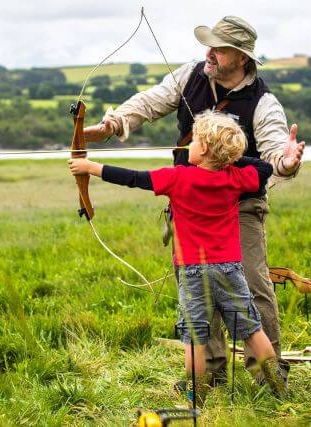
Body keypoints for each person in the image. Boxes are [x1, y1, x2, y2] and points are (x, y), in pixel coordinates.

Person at [83, 15, 305, 387]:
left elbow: (274, 158)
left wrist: (286, 161)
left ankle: (268, 375)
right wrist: (113, 123)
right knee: (196, 287)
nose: (209, 53)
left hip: (241, 207)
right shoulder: (192, 74)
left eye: (219, 48)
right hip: (189, 207)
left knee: (251, 284)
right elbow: (149, 103)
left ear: (241, 57)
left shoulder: (264, 103)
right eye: (209, 45)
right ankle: (211, 373)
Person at [70, 111, 285, 403]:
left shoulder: (177, 178)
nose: (188, 146)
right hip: (230, 269)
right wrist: (229, 158)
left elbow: (134, 179)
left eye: (195, 141)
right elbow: (264, 167)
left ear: (205, 149)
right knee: (250, 328)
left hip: (193, 271)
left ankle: (194, 396)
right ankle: (277, 388)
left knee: (195, 337)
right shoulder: (236, 177)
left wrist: (89, 166)